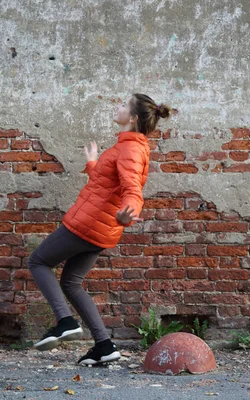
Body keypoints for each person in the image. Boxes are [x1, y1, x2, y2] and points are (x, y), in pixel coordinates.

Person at [28, 94, 172, 365]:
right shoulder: (129, 147)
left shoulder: (129, 149)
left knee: (37, 261)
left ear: (133, 118)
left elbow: (132, 190)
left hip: (88, 223)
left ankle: (65, 321)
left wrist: (129, 212)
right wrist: (93, 163)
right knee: (71, 282)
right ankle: (104, 346)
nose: (117, 107)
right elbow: (107, 184)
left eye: (123, 105)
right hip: (101, 229)